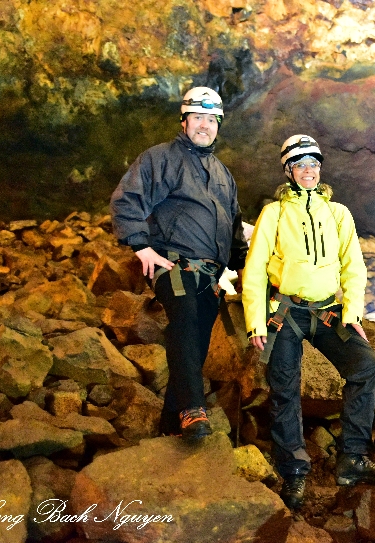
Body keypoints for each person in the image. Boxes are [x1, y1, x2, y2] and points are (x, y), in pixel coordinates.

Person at [241, 134, 375, 510]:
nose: (308, 171)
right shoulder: (274, 214)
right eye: (300, 165)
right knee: (285, 389)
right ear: (289, 170)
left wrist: (353, 312)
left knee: (366, 367)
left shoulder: (338, 213)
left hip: (327, 312)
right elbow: (256, 269)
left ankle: (353, 458)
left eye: (314, 164)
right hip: (286, 314)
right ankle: (293, 472)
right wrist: (255, 323)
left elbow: (353, 267)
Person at [109, 86, 248, 442]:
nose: (204, 125)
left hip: (210, 275)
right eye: (197, 118)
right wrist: (141, 246)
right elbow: (128, 200)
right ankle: (192, 409)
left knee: (197, 344)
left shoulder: (222, 173)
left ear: (218, 124)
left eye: (210, 119)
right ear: (184, 121)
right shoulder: (161, 158)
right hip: (174, 264)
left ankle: (172, 425)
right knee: (184, 320)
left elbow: (232, 226)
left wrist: (244, 267)